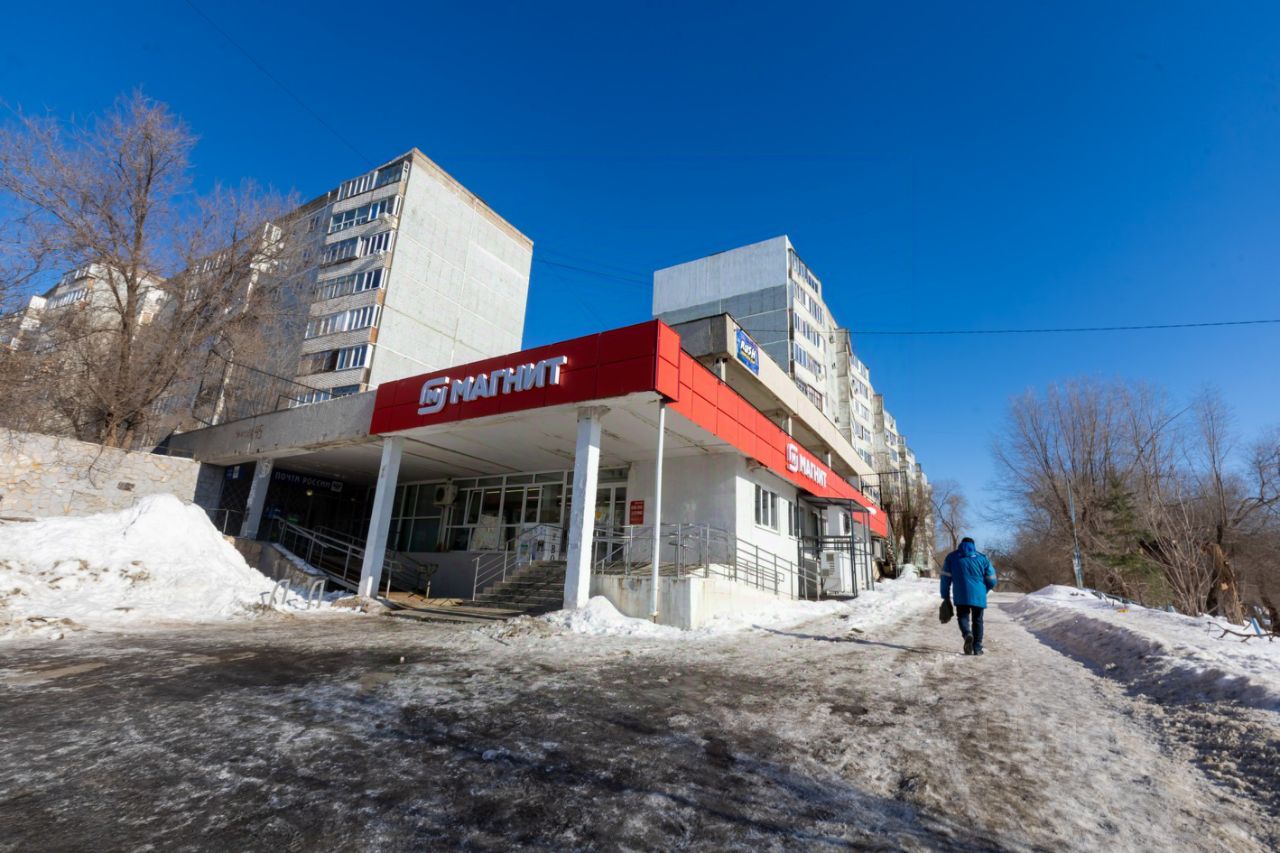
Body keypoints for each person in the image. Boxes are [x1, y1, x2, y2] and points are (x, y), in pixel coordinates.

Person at [940, 536, 997, 655]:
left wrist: (945, 595)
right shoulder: (983, 558)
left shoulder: (952, 557)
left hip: (961, 594)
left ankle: (967, 633)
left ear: (961, 544)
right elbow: (992, 580)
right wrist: (984, 590)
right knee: (978, 621)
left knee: (962, 616)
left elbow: (945, 578)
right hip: (979, 594)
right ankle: (977, 648)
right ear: (973, 545)